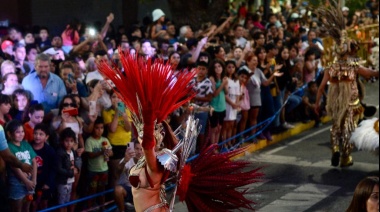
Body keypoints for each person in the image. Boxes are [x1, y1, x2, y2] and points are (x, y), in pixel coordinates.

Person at [98, 53, 265, 211]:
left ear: (157, 136)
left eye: (145, 132)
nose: (141, 135)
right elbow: (144, 140)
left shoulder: (155, 162)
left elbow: (148, 145)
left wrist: (149, 116)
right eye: (141, 132)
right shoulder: (148, 159)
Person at [315, 2, 380, 167]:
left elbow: (322, 87)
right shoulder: (354, 66)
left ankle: (335, 148)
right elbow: (371, 73)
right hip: (352, 103)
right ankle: (345, 156)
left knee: (336, 126)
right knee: (348, 129)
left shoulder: (331, 67)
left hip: (336, 102)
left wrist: (317, 104)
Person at [5, 120, 37, 212]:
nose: (21, 134)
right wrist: (26, 181)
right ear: (10, 134)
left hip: (30, 181)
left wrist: (34, 179)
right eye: (17, 132)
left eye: (22, 131)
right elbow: (13, 166)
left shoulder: (26, 144)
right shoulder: (9, 147)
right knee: (17, 208)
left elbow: (34, 162)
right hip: (17, 182)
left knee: (27, 207)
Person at [84, 116, 113, 208]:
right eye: (97, 128)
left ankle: (102, 208)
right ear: (93, 128)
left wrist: (108, 152)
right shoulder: (89, 141)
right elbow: (90, 155)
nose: (99, 130)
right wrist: (101, 151)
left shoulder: (105, 140)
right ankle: (90, 208)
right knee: (92, 190)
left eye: (101, 128)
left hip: (104, 169)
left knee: (102, 190)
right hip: (93, 170)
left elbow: (111, 152)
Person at [31, 123, 57, 211]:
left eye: (41, 134)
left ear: (47, 137)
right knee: (33, 204)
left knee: (44, 204)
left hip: (44, 182)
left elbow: (54, 168)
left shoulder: (50, 150)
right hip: (31, 182)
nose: (37, 136)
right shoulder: (28, 147)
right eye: (35, 133)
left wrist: (49, 182)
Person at [115, 140, 143, 212]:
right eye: (137, 149)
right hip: (128, 189)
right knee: (118, 190)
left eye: (141, 149)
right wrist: (124, 161)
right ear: (133, 149)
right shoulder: (127, 159)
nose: (139, 152)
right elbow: (117, 173)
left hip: (141, 190)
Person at [56, 128, 79, 212]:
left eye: (71, 141)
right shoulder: (60, 153)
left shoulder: (72, 151)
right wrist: (71, 173)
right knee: (61, 203)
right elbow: (59, 169)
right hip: (62, 182)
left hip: (70, 181)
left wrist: (76, 168)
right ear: (62, 141)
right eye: (66, 140)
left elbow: (73, 163)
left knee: (66, 201)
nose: (69, 143)